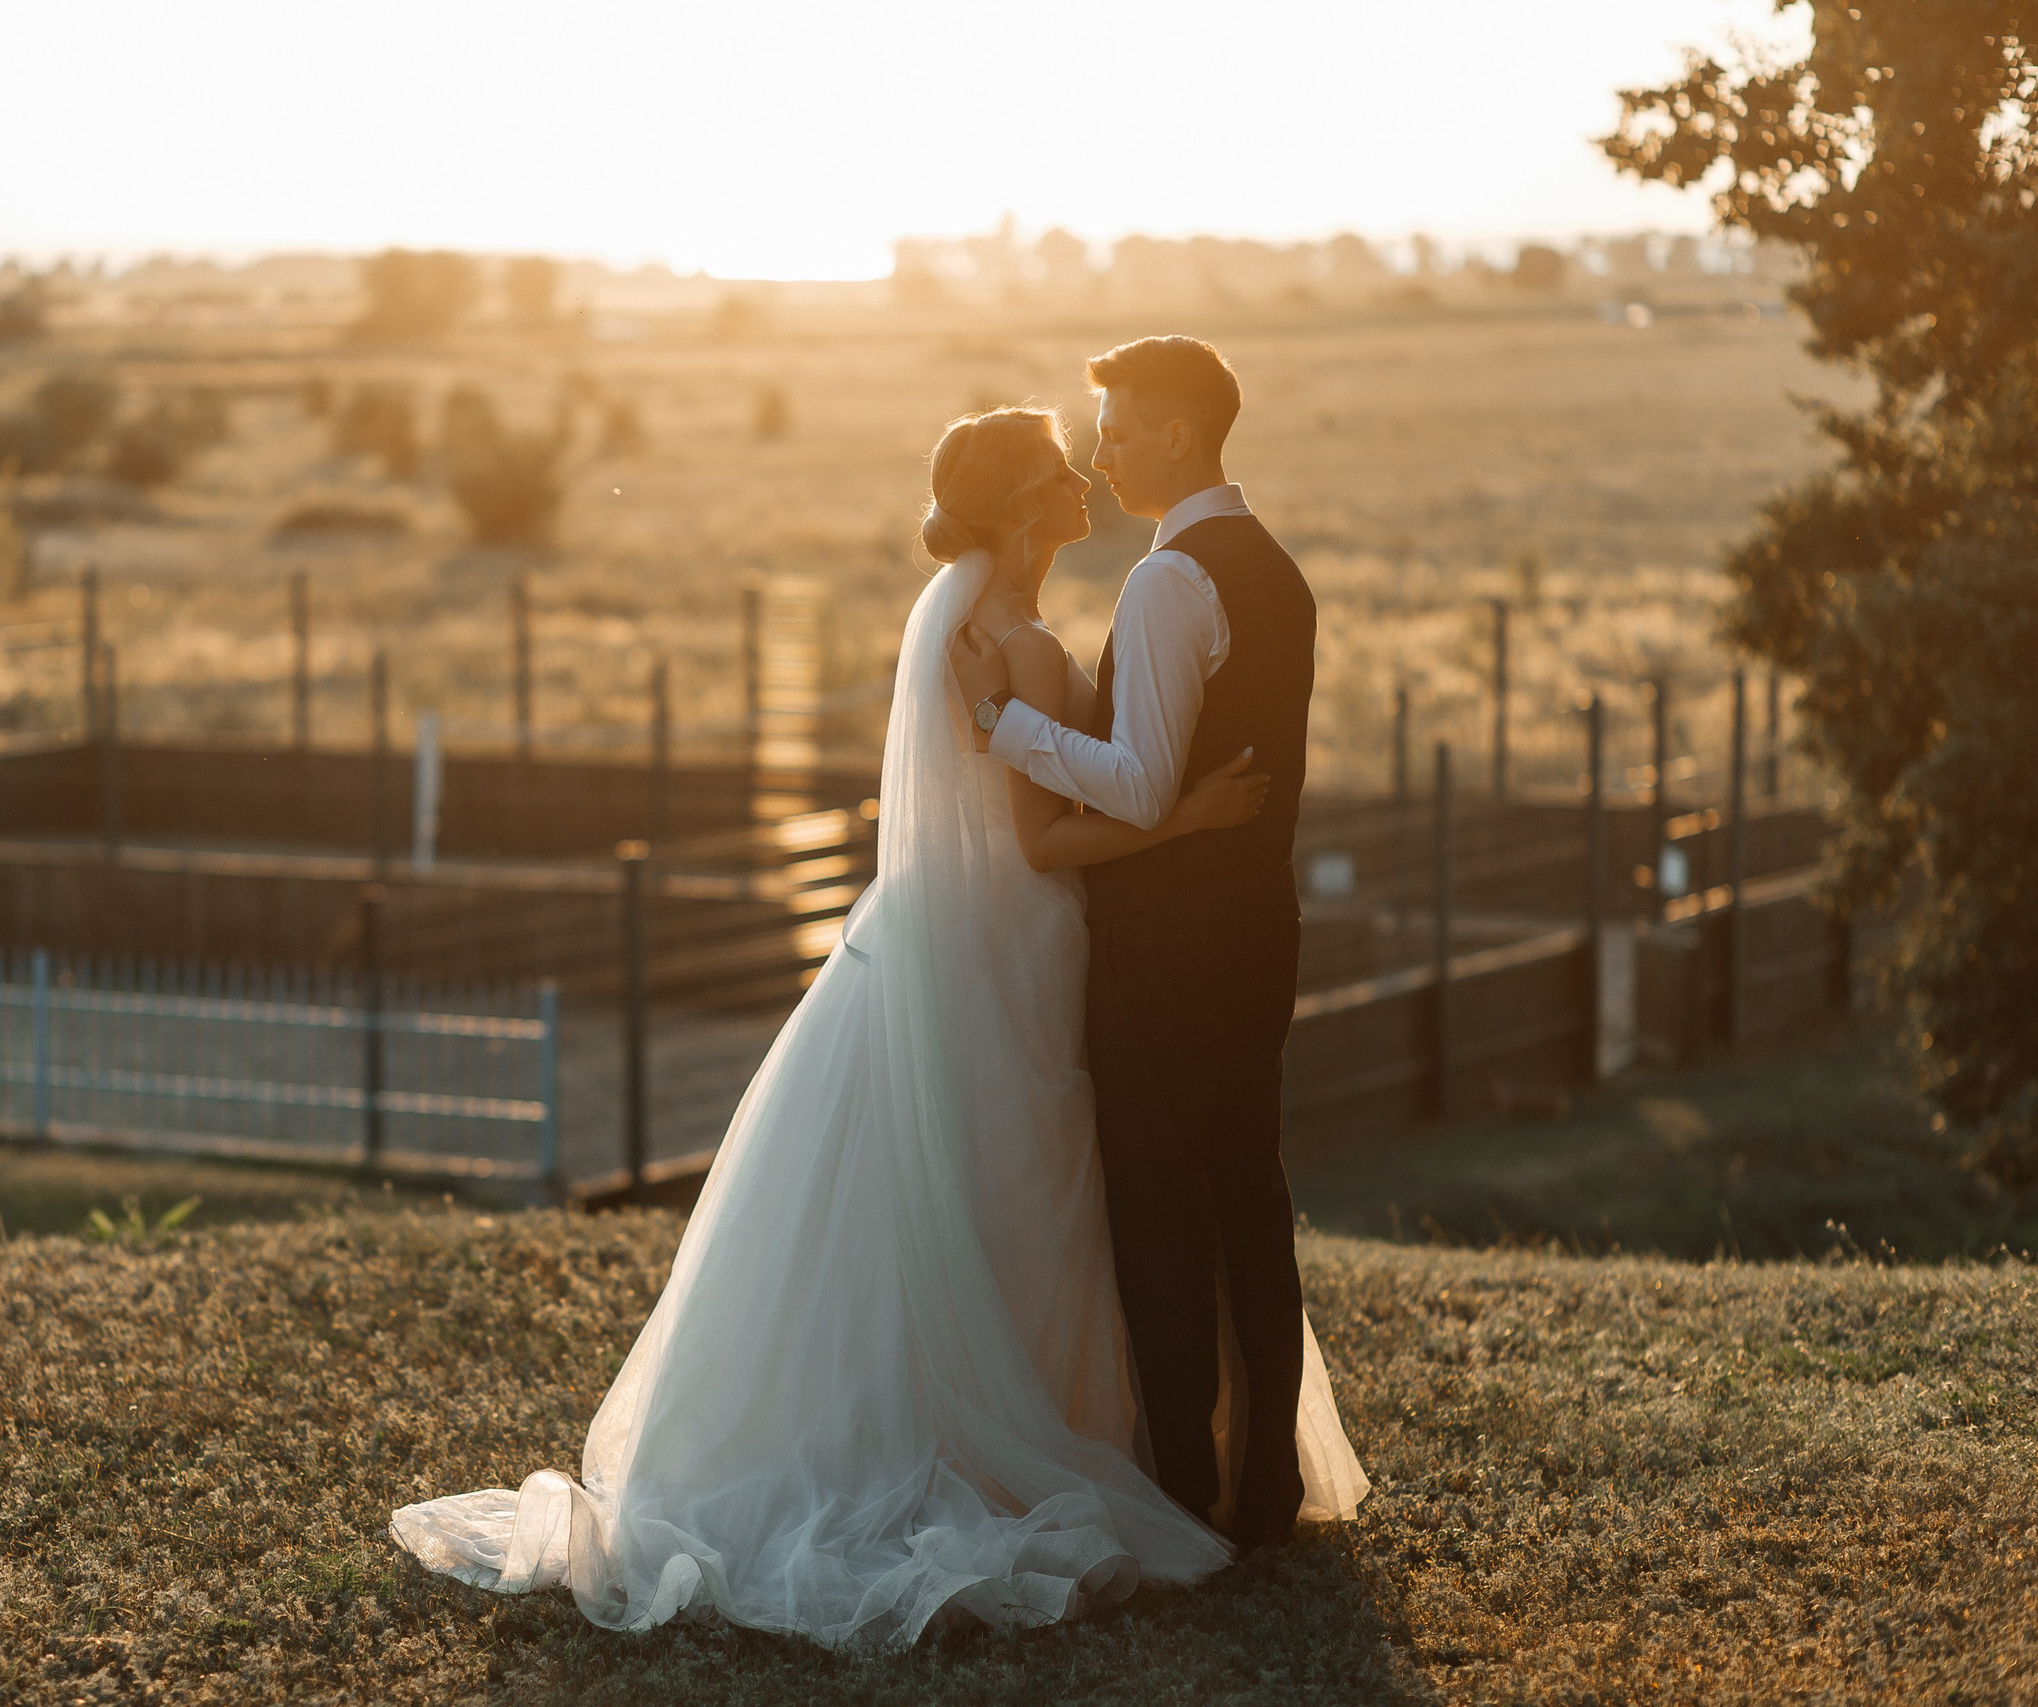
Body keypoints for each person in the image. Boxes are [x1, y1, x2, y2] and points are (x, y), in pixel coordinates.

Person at [390, 405, 1364, 1651]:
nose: (1084, 485)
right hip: (1014, 939)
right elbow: (1041, 839)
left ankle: (1050, 1425)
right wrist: (1188, 820)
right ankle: (1001, 1441)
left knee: (989, 1193)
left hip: (979, 939)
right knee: (1012, 1191)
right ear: (1024, 511)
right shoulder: (1005, 644)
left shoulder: (983, 629)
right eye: (1062, 474)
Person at [950, 337, 1327, 1548]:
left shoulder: (1170, 583)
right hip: (1260, 927)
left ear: (1176, 435)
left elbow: (1139, 784)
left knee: (1163, 1208)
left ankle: (1180, 1488)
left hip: (1168, 943)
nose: (1102, 452)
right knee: (1248, 1194)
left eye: (1117, 429)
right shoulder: (1274, 567)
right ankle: (1262, 1476)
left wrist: (1008, 731)